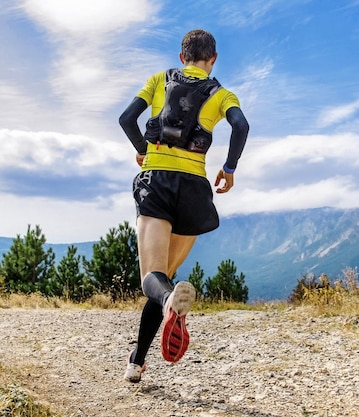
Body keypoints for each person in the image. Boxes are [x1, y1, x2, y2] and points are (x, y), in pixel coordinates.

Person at [118, 29, 249, 383]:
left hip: (157, 181)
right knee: (165, 282)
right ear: (213, 60)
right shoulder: (222, 94)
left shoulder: (159, 80)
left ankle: (164, 310)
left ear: (182, 57)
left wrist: (143, 150)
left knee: (152, 279)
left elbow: (126, 119)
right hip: (194, 189)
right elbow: (241, 125)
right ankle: (136, 362)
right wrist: (230, 167)